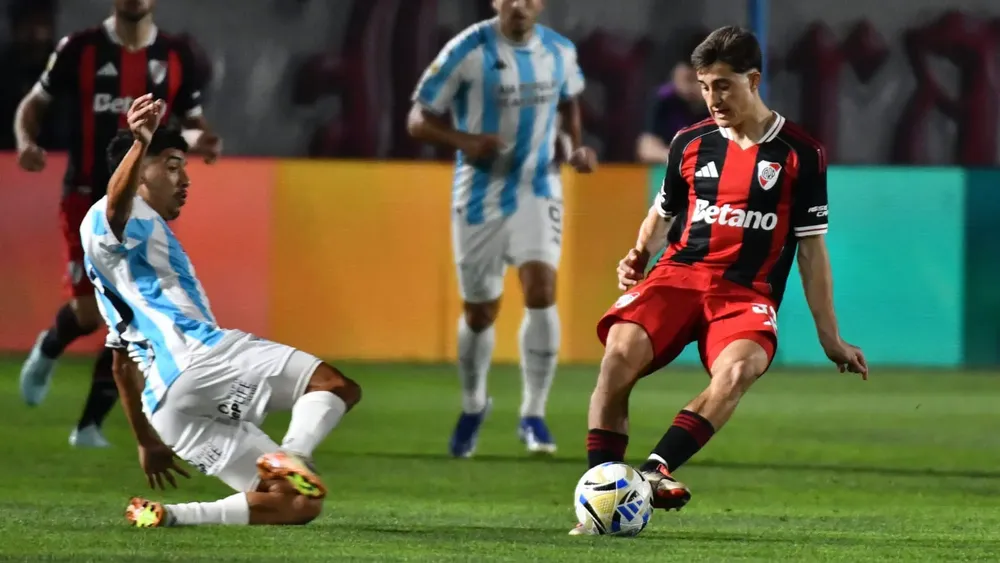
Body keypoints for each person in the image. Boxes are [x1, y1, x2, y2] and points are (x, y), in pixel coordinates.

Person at [572, 26, 868, 535]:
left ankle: (649, 474)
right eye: (706, 85)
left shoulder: (801, 153)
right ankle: (601, 496)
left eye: (724, 85)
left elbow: (813, 250)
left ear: (753, 81)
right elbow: (662, 212)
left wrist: (830, 337)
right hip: (678, 276)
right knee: (617, 354)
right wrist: (639, 253)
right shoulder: (689, 143)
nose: (713, 98)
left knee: (738, 371)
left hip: (745, 293)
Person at [83, 94, 361, 527]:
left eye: (184, 168)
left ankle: (167, 516)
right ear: (138, 172)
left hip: (167, 408)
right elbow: (116, 208)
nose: (184, 180)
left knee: (296, 502)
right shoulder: (112, 215)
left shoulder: (123, 273)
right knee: (334, 385)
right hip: (200, 358)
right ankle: (293, 453)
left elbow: (121, 364)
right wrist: (140, 143)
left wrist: (146, 440)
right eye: (172, 166)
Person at [15, 0, 222, 448]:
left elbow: (188, 124)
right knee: (90, 313)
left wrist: (201, 139)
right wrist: (26, 141)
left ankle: (88, 427)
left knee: (134, 313)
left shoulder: (176, 56)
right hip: (86, 198)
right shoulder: (80, 49)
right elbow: (34, 103)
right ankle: (50, 346)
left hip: (146, 207)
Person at [407, 0, 597, 458]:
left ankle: (534, 413)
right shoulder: (466, 49)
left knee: (541, 288)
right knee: (480, 312)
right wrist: (467, 141)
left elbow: (570, 103)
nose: (520, 6)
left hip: (539, 186)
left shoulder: (560, 52)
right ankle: (474, 405)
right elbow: (418, 120)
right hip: (479, 194)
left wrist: (574, 147)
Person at [635, 36, 709, 164]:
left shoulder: (720, 106)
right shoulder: (663, 101)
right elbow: (646, 149)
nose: (693, 87)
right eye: (689, 79)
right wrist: (683, 159)